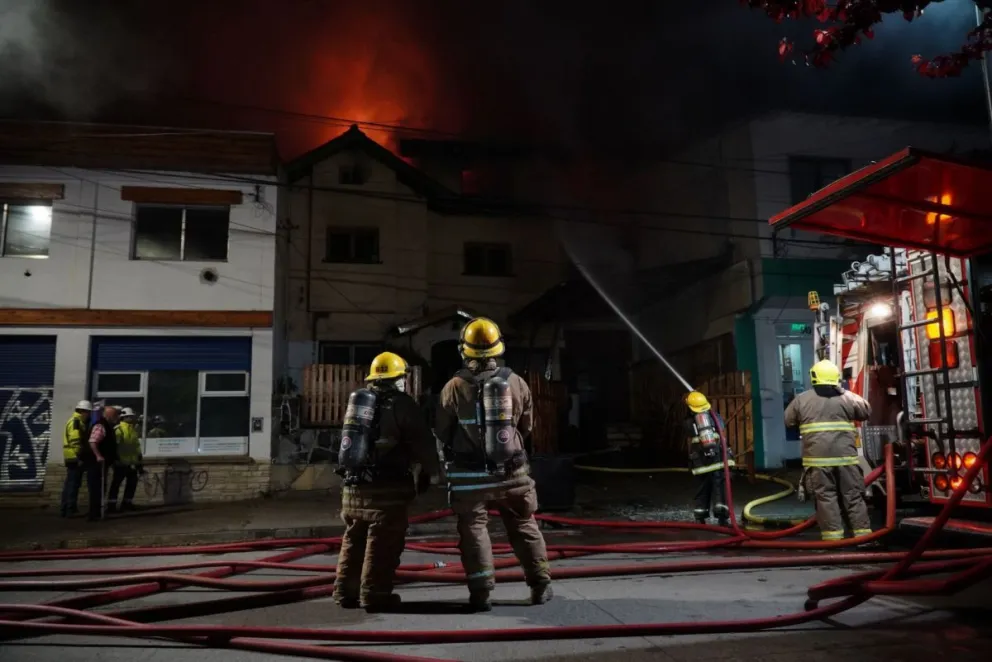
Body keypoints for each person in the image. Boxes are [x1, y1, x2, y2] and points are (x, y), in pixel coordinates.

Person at [435, 317, 552, 612]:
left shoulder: (453, 387)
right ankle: (540, 585)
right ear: (498, 348)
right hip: (513, 473)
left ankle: (481, 593)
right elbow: (527, 425)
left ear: (464, 350)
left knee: (474, 530)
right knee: (524, 525)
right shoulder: (516, 382)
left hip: (469, 478)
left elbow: (442, 430)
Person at [332, 351, 439, 612]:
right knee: (383, 543)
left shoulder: (359, 402)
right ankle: (375, 594)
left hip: (353, 488)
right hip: (387, 490)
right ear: (398, 378)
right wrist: (431, 472)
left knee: (354, 539)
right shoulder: (403, 404)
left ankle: (345, 592)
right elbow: (423, 442)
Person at [785, 359, 872, 542]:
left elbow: (788, 421)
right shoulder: (848, 398)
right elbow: (866, 411)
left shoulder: (802, 400)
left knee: (826, 499)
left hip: (818, 463)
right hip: (846, 461)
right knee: (853, 497)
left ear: (813, 377)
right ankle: (863, 537)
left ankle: (833, 539)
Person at [685, 391, 734, 527]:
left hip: (700, 462)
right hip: (717, 459)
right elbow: (722, 429)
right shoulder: (715, 417)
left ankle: (700, 518)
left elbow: (689, 436)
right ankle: (722, 518)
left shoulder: (688, 422)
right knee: (720, 487)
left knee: (702, 489)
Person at [80, 406, 119, 522]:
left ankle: (97, 511)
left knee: (100, 487)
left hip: (102, 463)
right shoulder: (101, 426)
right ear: (109, 415)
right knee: (96, 487)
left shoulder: (108, 426)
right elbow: (93, 442)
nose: (116, 417)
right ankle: (94, 513)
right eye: (115, 415)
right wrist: (98, 456)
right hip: (95, 463)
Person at [60, 400, 92, 518]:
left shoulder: (75, 421)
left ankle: (66, 508)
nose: (89, 415)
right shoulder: (76, 422)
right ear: (83, 411)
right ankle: (70, 509)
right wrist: (80, 456)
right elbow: (75, 441)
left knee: (70, 483)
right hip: (75, 457)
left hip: (71, 456)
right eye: (88, 412)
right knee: (73, 484)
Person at [108, 407, 143, 513]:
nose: (132, 418)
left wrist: (139, 461)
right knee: (116, 485)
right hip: (120, 463)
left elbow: (136, 447)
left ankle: (127, 503)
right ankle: (111, 506)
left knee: (132, 484)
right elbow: (114, 447)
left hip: (132, 463)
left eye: (132, 417)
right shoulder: (118, 430)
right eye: (130, 417)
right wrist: (116, 460)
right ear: (124, 417)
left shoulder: (133, 430)